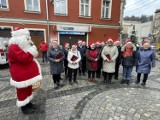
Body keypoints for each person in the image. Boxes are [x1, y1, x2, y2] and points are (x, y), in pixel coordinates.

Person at [8, 28, 42, 114]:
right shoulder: (13, 47)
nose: (29, 39)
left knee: (28, 88)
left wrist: (31, 49)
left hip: (26, 74)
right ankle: (24, 107)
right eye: (27, 37)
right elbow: (23, 59)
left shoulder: (23, 46)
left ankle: (28, 103)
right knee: (22, 90)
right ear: (19, 37)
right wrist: (31, 51)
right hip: (20, 74)